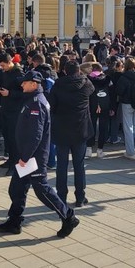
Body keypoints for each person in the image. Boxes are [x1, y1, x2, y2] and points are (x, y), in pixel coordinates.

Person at [0, 71, 79, 238]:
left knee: (42, 190)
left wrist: (25, 157)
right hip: (26, 155)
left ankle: (68, 216)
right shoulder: (31, 100)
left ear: (34, 84)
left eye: (24, 82)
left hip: (33, 157)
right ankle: (15, 220)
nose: (21, 85)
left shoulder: (36, 104)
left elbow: (35, 135)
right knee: (17, 188)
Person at [50, 60, 94, 207]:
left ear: (64, 71)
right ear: (78, 71)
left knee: (62, 165)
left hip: (62, 128)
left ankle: (61, 196)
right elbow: (92, 91)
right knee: (79, 165)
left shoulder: (58, 85)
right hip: (80, 129)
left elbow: (53, 105)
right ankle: (80, 197)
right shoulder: (86, 83)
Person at [0, 53, 25, 175]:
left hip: (15, 111)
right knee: (7, 137)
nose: (2, 68)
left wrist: (10, 93)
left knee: (14, 139)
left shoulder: (19, 74)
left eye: (3, 65)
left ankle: (16, 164)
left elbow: (24, 93)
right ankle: (11, 159)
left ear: (9, 63)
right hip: (6, 109)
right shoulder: (6, 73)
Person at [85, 63, 111, 158]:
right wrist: (112, 107)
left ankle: (89, 149)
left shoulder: (88, 79)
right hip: (105, 104)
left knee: (91, 126)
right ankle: (100, 149)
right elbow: (112, 93)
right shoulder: (107, 79)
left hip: (92, 104)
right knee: (103, 127)